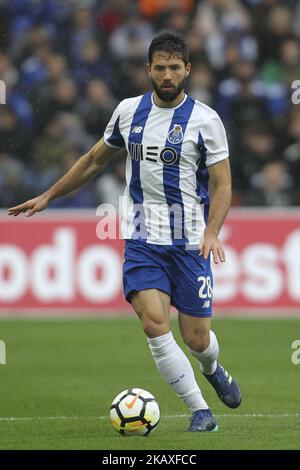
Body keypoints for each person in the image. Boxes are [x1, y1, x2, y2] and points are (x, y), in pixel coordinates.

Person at [8, 32, 241, 432]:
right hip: (141, 238)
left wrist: (213, 231)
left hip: (188, 242)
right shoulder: (128, 112)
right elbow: (93, 159)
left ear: (187, 70)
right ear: (148, 69)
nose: (167, 75)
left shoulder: (206, 120)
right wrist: (49, 196)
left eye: (174, 68)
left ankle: (213, 367)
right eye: (160, 67)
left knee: (197, 337)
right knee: (153, 322)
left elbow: (222, 184)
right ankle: (200, 411)